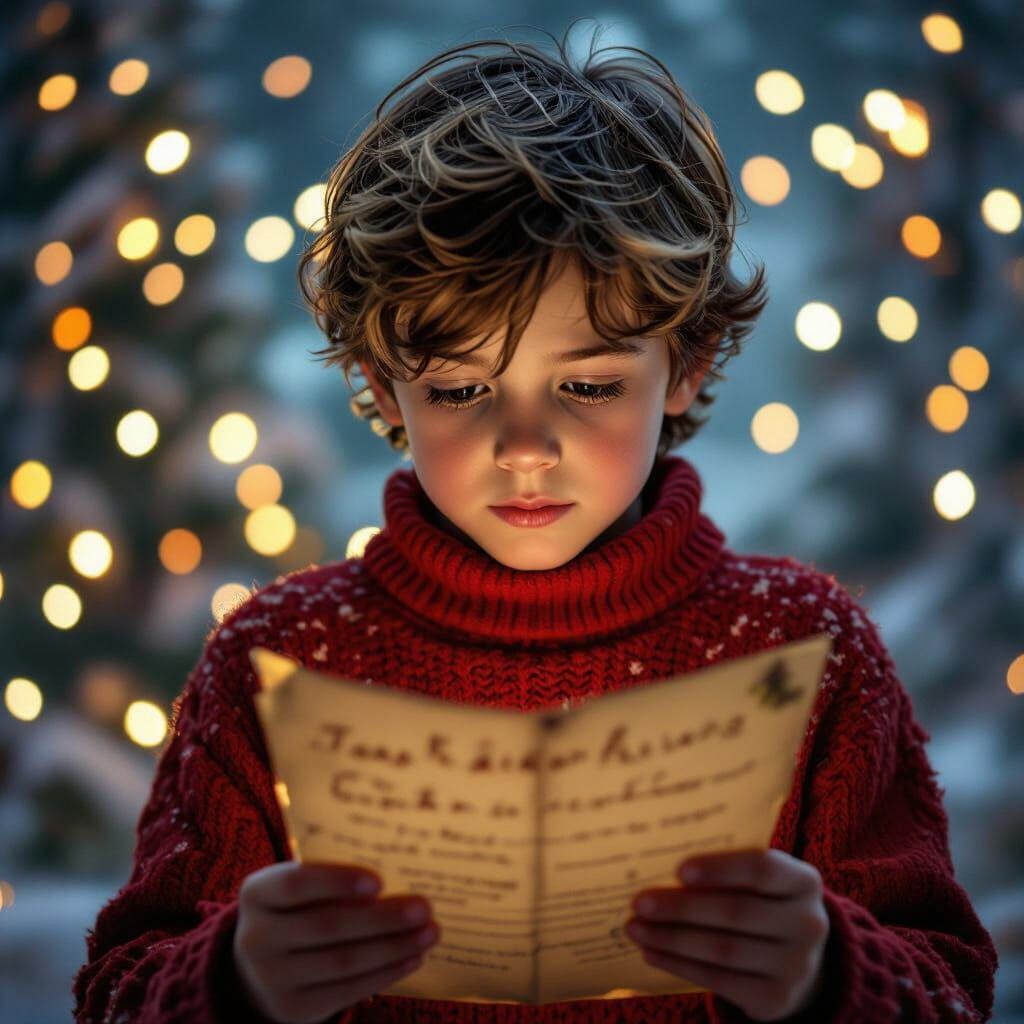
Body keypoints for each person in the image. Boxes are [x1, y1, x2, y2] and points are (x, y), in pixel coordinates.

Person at [73, 22, 998, 1024]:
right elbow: (119, 994)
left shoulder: (807, 651)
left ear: (685, 364)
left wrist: (827, 973)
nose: (523, 447)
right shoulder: (273, 663)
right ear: (384, 386)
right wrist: (235, 979)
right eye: (460, 389)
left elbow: (949, 989)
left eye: (588, 385)